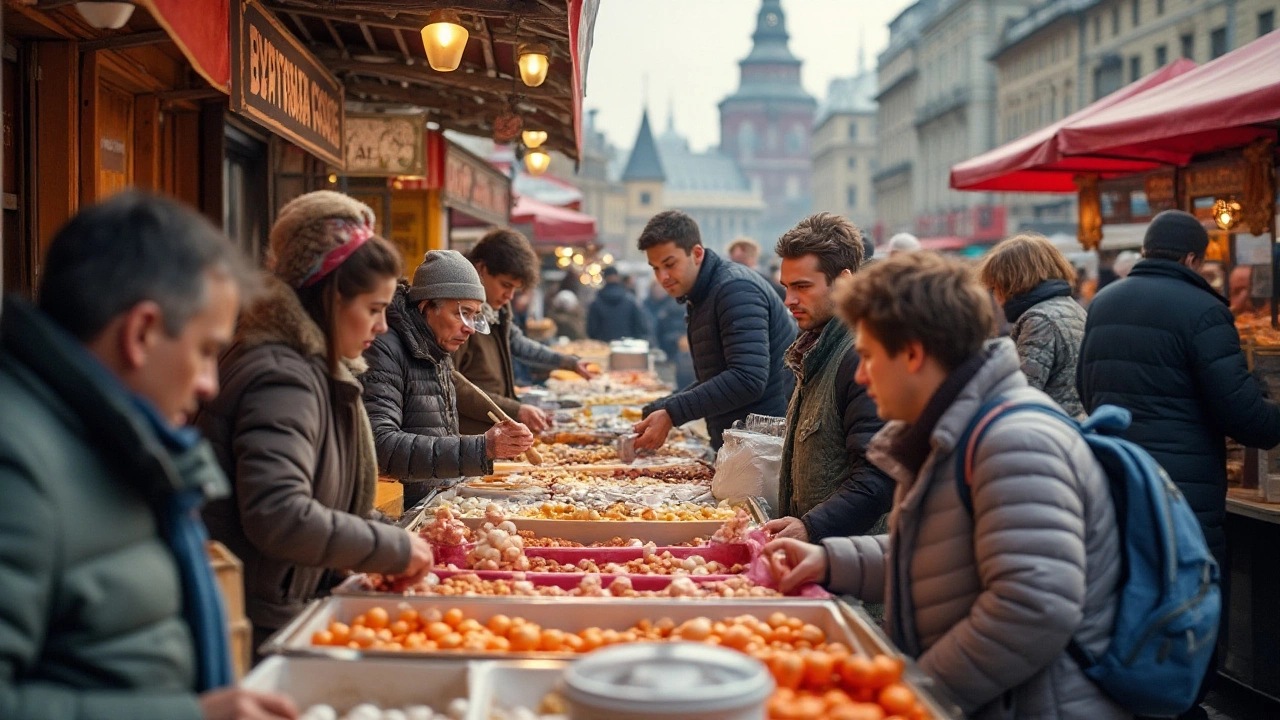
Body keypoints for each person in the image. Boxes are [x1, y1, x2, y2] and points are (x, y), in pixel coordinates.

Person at [767, 252, 1126, 720]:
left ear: (913, 354)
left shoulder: (1015, 443)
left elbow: (1031, 611)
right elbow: (942, 555)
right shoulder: (957, 427)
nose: (859, 374)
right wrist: (829, 560)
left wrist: (916, 689)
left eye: (869, 356)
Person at [0, 192, 296, 719]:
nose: (209, 384)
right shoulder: (19, 464)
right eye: (206, 351)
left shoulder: (119, 445)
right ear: (140, 333)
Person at [197, 191, 434, 650]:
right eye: (373, 309)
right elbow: (280, 514)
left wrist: (392, 535)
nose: (382, 327)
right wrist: (393, 548)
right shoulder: (282, 378)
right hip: (259, 622)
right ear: (328, 297)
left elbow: (326, 500)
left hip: (284, 608)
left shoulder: (313, 368)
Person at [1078, 210, 1280, 720]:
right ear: (1195, 257)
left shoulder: (1103, 301)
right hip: (1183, 493)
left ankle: (1138, 699)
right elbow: (1243, 415)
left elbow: (1087, 388)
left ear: (1147, 250)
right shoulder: (1203, 310)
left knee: (1135, 595)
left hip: (1118, 480)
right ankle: (1182, 704)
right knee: (1190, 599)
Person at [363, 250, 536, 508]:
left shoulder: (436, 346)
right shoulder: (384, 349)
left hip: (436, 502)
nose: (469, 327)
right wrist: (482, 448)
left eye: (474, 316)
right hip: (400, 509)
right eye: (461, 313)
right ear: (426, 306)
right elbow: (381, 445)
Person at [760, 213, 893, 543]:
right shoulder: (817, 349)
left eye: (802, 287)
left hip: (853, 570)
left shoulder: (860, 355)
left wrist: (812, 526)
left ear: (844, 281)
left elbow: (878, 476)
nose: (789, 300)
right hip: (822, 559)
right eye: (787, 287)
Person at [633, 210, 796, 450]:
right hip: (744, 442)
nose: (663, 277)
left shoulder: (735, 290)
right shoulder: (705, 292)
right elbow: (717, 376)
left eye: (669, 264)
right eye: (655, 268)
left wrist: (672, 412)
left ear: (697, 253)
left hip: (762, 448)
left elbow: (747, 379)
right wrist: (662, 407)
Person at [454, 228, 594, 435]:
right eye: (505, 285)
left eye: (515, 289)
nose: (509, 296)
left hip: (494, 431)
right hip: (469, 435)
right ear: (481, 268)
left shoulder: (496, 308)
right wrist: (515, 410)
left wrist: (568, 362)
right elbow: (451, 384)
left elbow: (517, 343)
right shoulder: (458, 315)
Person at [979, 233, 1087, 418]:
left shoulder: (1039, 319)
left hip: (1051, 426)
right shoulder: (1070, 306)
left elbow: (1022, 391)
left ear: (1011, 281)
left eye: (994, 287)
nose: (995, 297)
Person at [587, 266, 652, 342]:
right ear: (618, 277)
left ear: (604, 278)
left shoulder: (596, 303)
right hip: (627, 347)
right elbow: (640, 326)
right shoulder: (630, 301)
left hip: (604, 347)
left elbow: (591, 330)